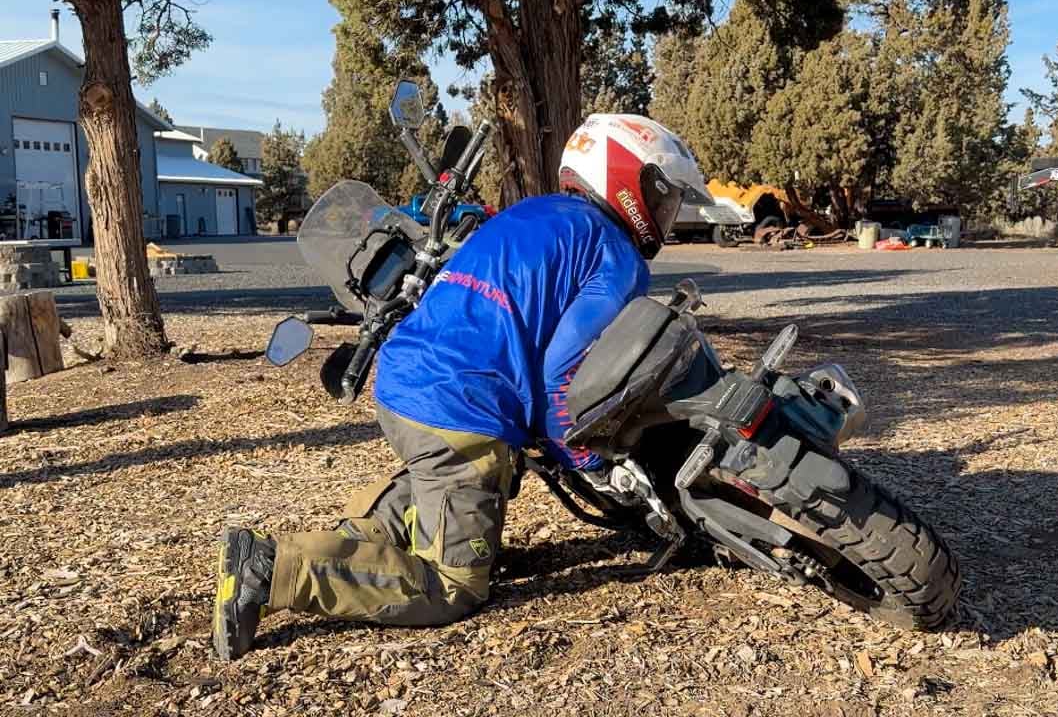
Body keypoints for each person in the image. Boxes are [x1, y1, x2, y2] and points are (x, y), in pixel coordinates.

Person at [213, 114, 711, 660]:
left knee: (473, 467)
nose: (667, 214)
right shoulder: (614, 254)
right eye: (664, 196)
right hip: (460, 409)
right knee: (451, 587)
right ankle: (270, 567)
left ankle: (368, 535)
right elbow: (561, 375)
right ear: (627, 181)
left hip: (404, 384)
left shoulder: (531, 213)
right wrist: (590, 461)